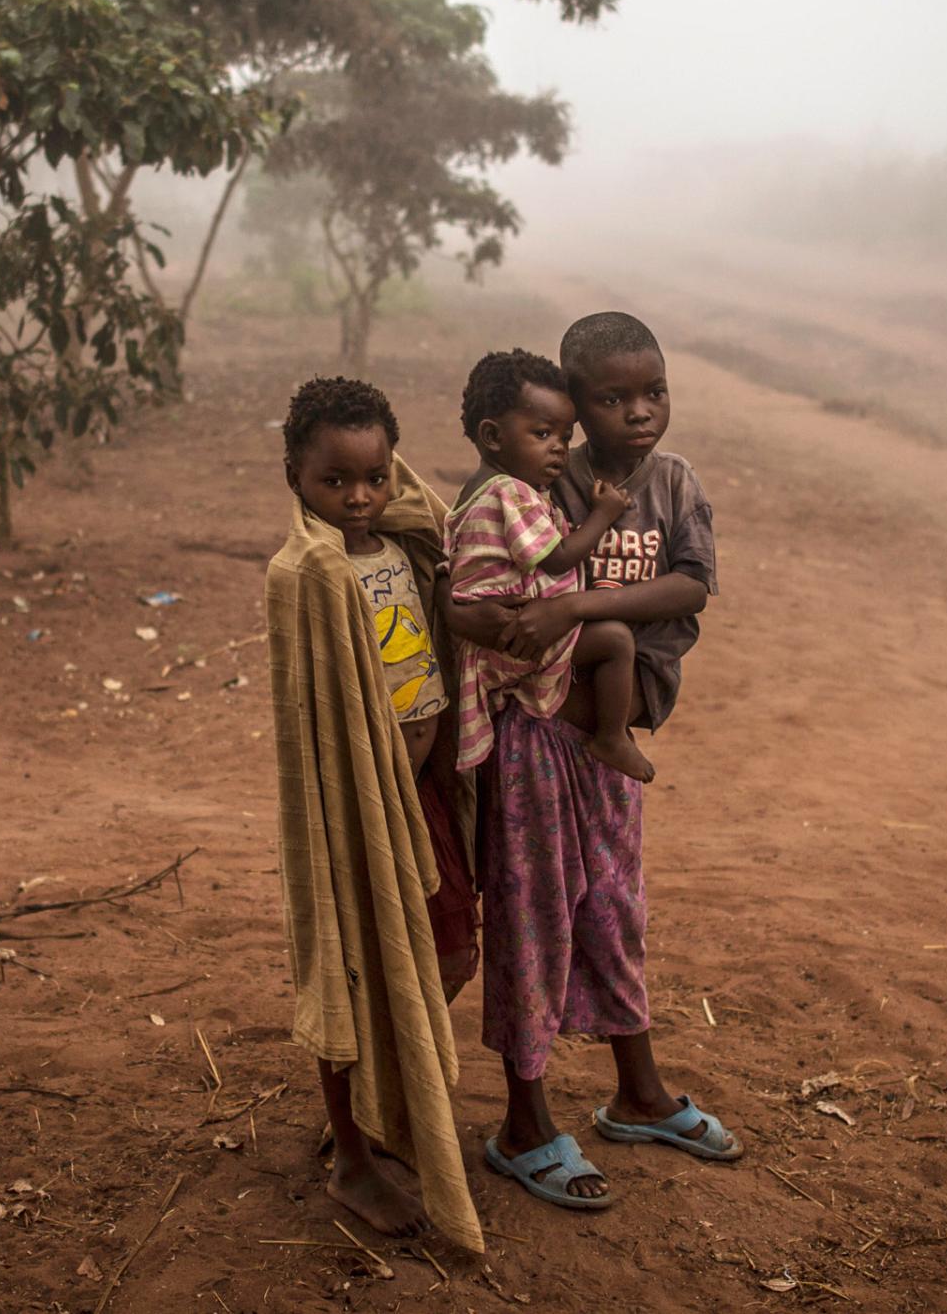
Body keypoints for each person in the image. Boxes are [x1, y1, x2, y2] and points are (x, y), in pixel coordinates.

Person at [448, 313, 739, 1212]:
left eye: (654, 392)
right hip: (537, 735)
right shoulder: (536, 478)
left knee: (614, 907)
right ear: (573, 408)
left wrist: (578, 611)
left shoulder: (674, 483)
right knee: (535, 915)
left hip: (613, 738)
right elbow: (477, 590)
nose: (639, 413)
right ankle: (524, 1119)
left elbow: (691, 584)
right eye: (611, 399)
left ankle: (637, 1091)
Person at [265, 377, 484, 1251]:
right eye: (334, 481)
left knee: (455, 948)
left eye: (375, 475)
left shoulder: (404, 538)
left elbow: (438, 513)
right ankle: (352, 1154)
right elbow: (304, 718)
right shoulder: (304, 575)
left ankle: (376, 1097)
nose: (359, 496)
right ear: (294, 476)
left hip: (421, 795)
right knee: (353, 970)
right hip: (356, 812)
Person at [445, 348, 654, 785]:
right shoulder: (511, 492)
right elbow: (558, 559)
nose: (559, 448)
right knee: (616, 640)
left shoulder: (475, 491)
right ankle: (611, 737)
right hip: (516, 636)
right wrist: (604, 514)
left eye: (565, 435)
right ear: (493, 436)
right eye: (542, 434)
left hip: (493, 637)